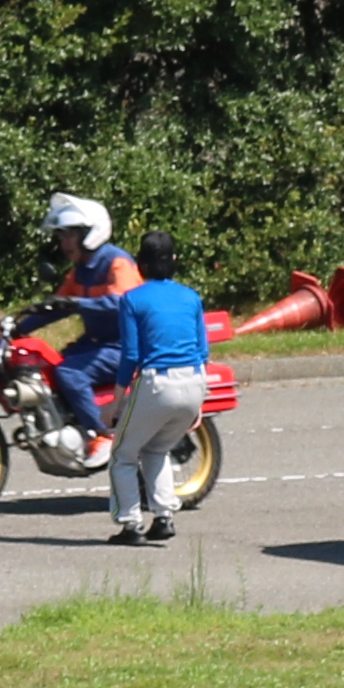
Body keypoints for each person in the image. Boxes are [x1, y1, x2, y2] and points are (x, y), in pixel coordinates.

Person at [11, 193, 141, 465]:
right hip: (96, 343)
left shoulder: (116, 262)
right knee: (49, 367)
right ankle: (73, 425)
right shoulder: (80, 271)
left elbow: (122, 302)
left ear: (90, 233)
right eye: (61, 236)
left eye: (70, 235)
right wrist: (17, 327)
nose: (64, 243)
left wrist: (77, 302)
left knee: (69, 372)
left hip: (126, 345)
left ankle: (101, 436)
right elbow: (58, 306)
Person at [105, 229, 210, 545]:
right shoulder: (191, 297)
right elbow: (202, 352)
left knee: (123, 454)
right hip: (194, 381)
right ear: (174, 261)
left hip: (157, 382)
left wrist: (116, 400)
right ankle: (164, 517)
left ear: (140, 265)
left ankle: (130, 525)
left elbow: (132, 356)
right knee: (157, 448)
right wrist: (199, 403)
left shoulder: (132, 299)